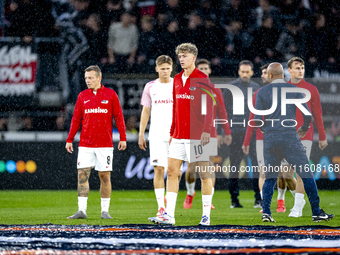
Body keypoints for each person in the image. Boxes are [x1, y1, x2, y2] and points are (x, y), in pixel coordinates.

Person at [254, 62, 334, 223]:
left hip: (270, 138)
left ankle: (267, 213)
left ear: (269, 75)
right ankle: (316, 212)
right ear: (283, 75)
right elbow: (308, 115)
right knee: (306, 174)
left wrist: (267, 130)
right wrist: (304, 128)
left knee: (270, 177)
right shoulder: (295, 90)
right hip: (290, 137)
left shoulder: (261, 92)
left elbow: (257, 120)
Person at [149, 43, 214, 226]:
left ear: (193, 58)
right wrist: (172, 132)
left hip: (198, 134)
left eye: (185, 56)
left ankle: (206, 216)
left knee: (204, 175)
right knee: (171, 172)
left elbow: (209, 107)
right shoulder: (176, 78)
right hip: (178, 135)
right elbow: (176, 108)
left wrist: (207, 130)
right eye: (180, 56)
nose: (181, 59)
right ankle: (169, 215)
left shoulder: (202, 78)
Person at [65, 65, 127, 220]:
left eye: (91, 78)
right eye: (86, 78)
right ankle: (82, 210)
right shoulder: (82, 96)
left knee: (105, 176)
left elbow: (119, 116)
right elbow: (76, 119)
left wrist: (123, 137)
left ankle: (105, 211)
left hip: (105, 145)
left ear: (99, 78)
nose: (88, 81)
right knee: (82, 176)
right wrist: (69, 139)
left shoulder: (110, 94)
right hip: (85, 144)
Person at [243, 63, 297, 213]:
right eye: (262, 73)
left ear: (272, 75)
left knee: (285, 173)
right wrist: (247, 140)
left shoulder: (287, 91)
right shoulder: (259, 93)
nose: (263, 75)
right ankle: (265, 203)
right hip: (263, 138)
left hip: (284, 136)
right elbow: (253, 119)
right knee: (264, 172)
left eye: (265, 72)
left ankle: (293, 202)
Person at [183, 59, 232, 210]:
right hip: (192, 132)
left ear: (210, 70)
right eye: (201, 68)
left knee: (210, 166)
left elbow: (221, 111)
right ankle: (190, 193)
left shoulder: (214, 89)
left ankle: (208, 198)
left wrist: (227, 132)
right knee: (192, 168)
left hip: (210, 132)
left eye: (206, 68)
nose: (204, 70)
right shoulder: (190, 88)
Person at [286, 57, 328, 217]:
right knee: (285, 174)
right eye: (297, 67)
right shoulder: (283, 89)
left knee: (302, 171)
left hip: (305, 135)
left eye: (302, 67)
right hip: (286, 136)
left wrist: (322, 136)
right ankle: (301, 200)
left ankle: (296, 208)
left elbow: (317, 114)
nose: (300, 70)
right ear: (289, 70)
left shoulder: (311, 89)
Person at [223, 60, 261, 208]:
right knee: (234, 166)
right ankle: (234, 200)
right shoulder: (231, 88)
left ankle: (258, 199)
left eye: (247, 72)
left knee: (256, 166)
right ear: (239, 72)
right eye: (242, 72)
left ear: (252, 72)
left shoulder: (257, 88)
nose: (245, 74)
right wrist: (225, 132)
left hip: (253, 133)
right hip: (236, 133)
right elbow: (224, 112)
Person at [139, 55, 174, 218]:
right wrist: (141, 134)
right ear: (157, 69)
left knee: (175, 172)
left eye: (168, 68)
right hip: (156, 135)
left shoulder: (178, 85)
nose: (165, 71)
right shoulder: (150, 87)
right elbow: (146, 111)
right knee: (159, 169)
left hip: (176, 135)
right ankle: (161, 207)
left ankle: (170, 200)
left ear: (172, 68)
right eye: (162, 68)